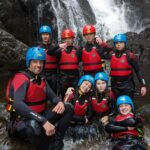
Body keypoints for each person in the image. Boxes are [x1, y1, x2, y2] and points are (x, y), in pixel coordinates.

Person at [5, 47, 73, 150]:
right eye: (35, 62)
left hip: (40, 118)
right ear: (29, 62)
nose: (38, 65)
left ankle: (57, 141)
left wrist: (59, 102)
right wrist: (43, 121)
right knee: (33, 125)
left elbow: (53, 97)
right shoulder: (20, 78)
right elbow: (18, 104)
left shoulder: (42, 80)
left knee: (67, 107)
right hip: (22, 122)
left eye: (41, 62)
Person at [109, 34, 147, 99]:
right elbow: (101, 52)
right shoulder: (111, 54)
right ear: (114, 44)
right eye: (117, 43)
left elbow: (138, 71)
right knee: (116, 105)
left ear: (125, 43)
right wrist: (102, 43)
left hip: (127, 85)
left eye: (121, 42)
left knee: (128, 104)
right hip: (114, 85)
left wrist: (143, 85)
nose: (118, 44)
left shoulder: (130, 56)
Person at [47, 29, 80, 98]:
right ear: (63, 40)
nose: (67, 40)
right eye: (65, 39)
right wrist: (59, 46)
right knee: (64, 97)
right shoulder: (60, 51)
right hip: (63, 78)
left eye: (69, 38)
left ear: (72, 39)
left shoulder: (77, 50)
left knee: (76, 97)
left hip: (75, 77)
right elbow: (49, 52)